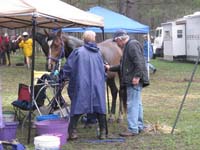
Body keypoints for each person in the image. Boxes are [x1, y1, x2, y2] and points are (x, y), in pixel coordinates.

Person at [61, 30, 107, 140]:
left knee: (77, 106)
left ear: (83, 39)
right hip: (97, 85)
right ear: (94, 39)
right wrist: (102, 80)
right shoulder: (99, 53)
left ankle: (72, 132)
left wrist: (61, 76)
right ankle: (103, 132)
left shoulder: (78, 52)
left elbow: (68, 67)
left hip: (82, 84)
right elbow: (103, 70)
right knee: (100, 107)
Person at [105, 30, 149, 137]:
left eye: (116, 42)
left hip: (134, 80)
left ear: (120, 39)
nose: (116, 44)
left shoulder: (132, 46)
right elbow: (123, 66)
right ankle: (139, 126)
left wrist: (137, 76)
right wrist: (110, 67)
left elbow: (139, 62)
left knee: (132, 104)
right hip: (133, 78)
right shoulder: (128, 46)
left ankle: (132, 129)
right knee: (137, 103)